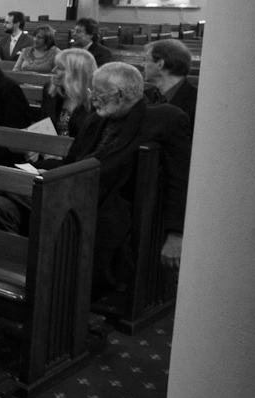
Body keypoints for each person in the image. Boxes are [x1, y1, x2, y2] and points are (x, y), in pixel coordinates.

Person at [64, 62, 191, 297]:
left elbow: (180, 178)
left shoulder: (165, 119)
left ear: (120, 94)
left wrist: (176, 234)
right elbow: (71, 161)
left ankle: (68, 295)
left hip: (116, 210)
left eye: (98, 92)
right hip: (76, 193)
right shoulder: (95, 119)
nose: (92, 98)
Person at [143, 39, 198, 136]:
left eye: (146, 60)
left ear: (160, 64)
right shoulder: (144, 96)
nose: (142, 64)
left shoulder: (197, 102)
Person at [42, 48, 97, 138]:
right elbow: (44, 123)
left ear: (77, 74)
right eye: (55, 66)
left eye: (60, 68)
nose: (53, 70)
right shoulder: (50, 91)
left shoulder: (95, 100)